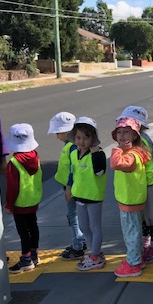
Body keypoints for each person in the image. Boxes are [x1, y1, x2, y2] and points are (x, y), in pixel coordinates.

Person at [117, 106, 153, 263]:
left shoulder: (141, 140)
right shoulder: (140, 138)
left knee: (151, 219)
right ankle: (146, 246)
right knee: (145, 219)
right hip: (141, 184)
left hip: (149, 183)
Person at [110, 117, 151, 278]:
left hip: (130, 201)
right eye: (119, 132)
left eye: (126, 132)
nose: (121, 136)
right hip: (130, 199)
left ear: (134, 135)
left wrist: (117, 150)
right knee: (133, 231)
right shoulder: (133, 152)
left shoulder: (131, 155)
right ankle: (136, 259)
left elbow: (115, 164)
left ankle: (133, 264)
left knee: (131, 233)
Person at [69, 117, 107, 271]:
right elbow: (73, 173)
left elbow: (100, 172)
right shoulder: (74, 154)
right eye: (78, 138)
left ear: (93, 138)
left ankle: (95, 256)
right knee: (84, 227)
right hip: (79, 196)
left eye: (86, 138)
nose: (81, 141)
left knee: (95, 227)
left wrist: (96, 155)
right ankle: (94, 253)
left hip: (93, 197)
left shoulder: (98, 154)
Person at [48, 111, 87, 260]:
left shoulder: (71, 147)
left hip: (72, 187)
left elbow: (73, 169)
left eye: (57, 132)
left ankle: (78, 245)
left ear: (65, 131)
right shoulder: (71, 145)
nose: (56, 135)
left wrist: (69, 188)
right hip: (72, 186)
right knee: (76, 215)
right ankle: (80, 242)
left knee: (73, 215)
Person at [5, 123, 42, 273]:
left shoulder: (14, 163)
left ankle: (26, 260)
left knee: (23, 231)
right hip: (33, 199)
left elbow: (13, 187)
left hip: (20, 203)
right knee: (33, 226)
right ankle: (34, 254)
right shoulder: (35, 156)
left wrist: (9, 204)